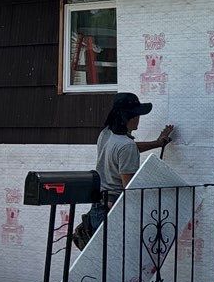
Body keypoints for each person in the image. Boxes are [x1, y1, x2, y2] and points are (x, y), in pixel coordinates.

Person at [72, 92, 174, 249]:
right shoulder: (126, 146)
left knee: (102, 261)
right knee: (115, 261)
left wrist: (157, 143)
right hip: (113, 209)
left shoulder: (106, 134)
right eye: (137, 114)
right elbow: (129, 187)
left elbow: (125, 150)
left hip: (98, 206)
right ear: (130, 117)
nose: (139, 118)